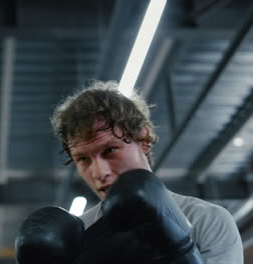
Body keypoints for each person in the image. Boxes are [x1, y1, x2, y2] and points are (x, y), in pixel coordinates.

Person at [46, 80, 243, 263]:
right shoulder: (79, 236)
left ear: (144, 139)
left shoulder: (207, 220)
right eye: (83, 159)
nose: (99, 173)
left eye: (110, 150)